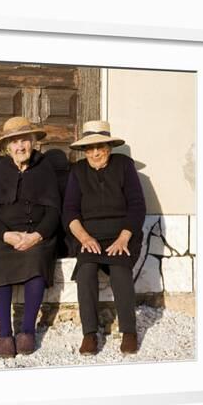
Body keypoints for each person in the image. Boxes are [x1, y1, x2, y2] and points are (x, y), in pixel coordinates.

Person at [62, 120, 146, 355]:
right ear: (84, 150)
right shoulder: (78, 171)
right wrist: (84, 238)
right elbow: (69, 210)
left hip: (122, 234)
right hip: (89, 236)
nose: (96, 152)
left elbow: (137, 206)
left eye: (101, 147)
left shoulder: (124, 166)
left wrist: (124, 238)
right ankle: (89, 334)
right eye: (91, 148)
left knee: (120, 270)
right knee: (86, 271)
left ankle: (129, 331)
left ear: (109, 147)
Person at [0, 117, 61, 358]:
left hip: (38, 233)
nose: (20, 147)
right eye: (14, 142)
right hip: (6, 235)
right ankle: (5, 334)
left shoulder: (45, 168)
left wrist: (37, 235)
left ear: (33, 143)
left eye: (24, 141)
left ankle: (27, 330)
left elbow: (54, 210)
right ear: (7, 148)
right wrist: (6, 235)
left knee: (37, 258)